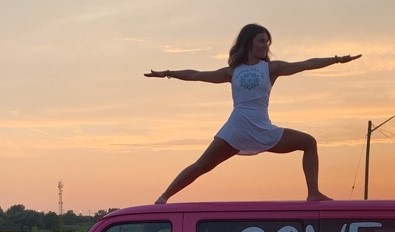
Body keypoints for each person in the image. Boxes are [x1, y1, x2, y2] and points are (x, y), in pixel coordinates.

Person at [145, 23, 361, 204]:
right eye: (261, 40)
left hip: (262, 127)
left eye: (267, 42)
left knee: (308, 142)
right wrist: (168, 73)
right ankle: (163, 198)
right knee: (202, 165)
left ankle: (313, 194)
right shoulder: (232, 72)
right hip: (237, 127)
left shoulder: (270, 68)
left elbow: (306, 64)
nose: (265, 45)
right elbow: (197, 74)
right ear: (249, 43)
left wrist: (336, 59)